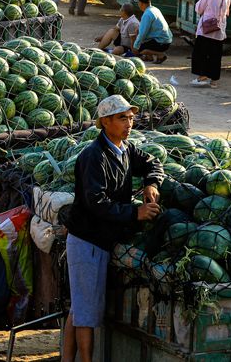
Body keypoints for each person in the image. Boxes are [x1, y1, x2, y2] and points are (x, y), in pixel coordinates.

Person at [63, 95, 163, 362]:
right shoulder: (93, 157)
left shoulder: (126, 149)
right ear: (105, 122)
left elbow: (153, 162)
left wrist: (151, 183)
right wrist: (135, 212)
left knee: (80, 307)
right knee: (86, 313)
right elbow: (97, 203)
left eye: (130, 118)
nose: (129, 123)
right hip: (87, 241)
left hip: (101, 239)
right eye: (122, 118)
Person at [190, 0, 231, 87]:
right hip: (219, 31)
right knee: (215, 56)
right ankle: (214, 81)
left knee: (200, 54)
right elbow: (226, 13)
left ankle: (202, 75)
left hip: (206, 30)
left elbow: (199, 9)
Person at [133, 0, 173, 64]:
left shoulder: (147, 14)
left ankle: (160, 55)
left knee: (140, 49)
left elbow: (142, 34)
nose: (138, 4)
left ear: (142, 4)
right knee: (140, 39)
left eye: (138, 2)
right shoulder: (155, 9)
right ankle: (150, 56)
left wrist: (135, 46)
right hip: (166, 41)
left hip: (161, 42)